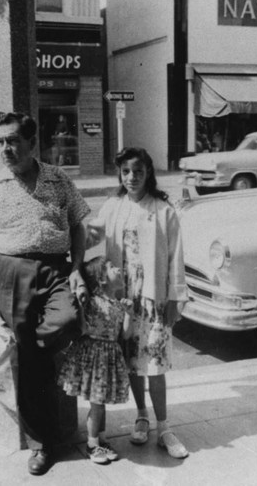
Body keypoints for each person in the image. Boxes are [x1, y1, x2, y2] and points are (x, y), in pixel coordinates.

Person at [0, 111, 90, 476]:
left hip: (54, 268)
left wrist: (76, 270)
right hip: (13, 274)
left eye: (13, 141)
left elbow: (78, 227)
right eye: (1, 141)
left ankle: (35, 352)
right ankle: (42, 445)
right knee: (31, 363)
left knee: (68, 319)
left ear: (31, 143)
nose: (6, 148)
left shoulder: (58, 179)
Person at [86, 147, 190, 459]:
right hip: (123, 300)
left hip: (153, 298)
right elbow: (91, 235)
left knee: (155, 366)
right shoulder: (113, 206)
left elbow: (176, 257)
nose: (132, 177)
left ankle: (164, 428)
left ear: (149, 174)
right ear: (120, 174)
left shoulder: (162, 209)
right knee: (132, 361)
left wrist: (175, 297)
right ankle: (141, 416)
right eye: (126, 172)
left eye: (138, 171)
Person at [58, 256, 132, 464]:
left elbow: (124, 335)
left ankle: (102, 439)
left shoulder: (117, 304)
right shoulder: (92, 301)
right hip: (94, 358)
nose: (119, 268)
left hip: (108, 357)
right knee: (97, 403)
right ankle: (92, 444)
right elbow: (80, 321)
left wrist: (128, 314)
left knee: (102, 402)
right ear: (101, 279)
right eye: (112, 266)